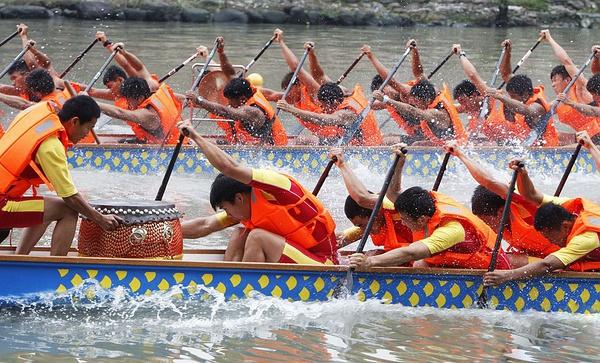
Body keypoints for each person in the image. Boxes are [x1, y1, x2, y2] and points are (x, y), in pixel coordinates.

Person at [176, 119, 338, 264]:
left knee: (257, 236)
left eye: (226, 208)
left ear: (239, 198)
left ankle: (243, 289)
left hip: (322, 262)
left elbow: (230, 167)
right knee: (241, 233)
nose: (228, 214)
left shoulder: (275, 187)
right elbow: (205, 225)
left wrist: (195, 136)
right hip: (297, 256)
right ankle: (230, 282)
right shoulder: (245, 208)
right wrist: (162, 232)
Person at [348, 147, 511, 270]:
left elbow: (411, 252)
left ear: (422, 219)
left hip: (490, 270)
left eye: (405, 220)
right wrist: (399, 162)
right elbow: (393, 193)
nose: (403, 223)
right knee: (419, 264)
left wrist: (370, 262)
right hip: (457, 261)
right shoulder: (422, 203)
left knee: (417, 260)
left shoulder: (451, 229)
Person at [0, 96, 121, 255]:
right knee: (68, 210)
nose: (87, 134)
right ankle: (57, 271)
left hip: (4, 197)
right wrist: (99, 218)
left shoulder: (37, 115)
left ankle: (20, 258)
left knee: (50, 206)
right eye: (88, 127)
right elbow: (70, 197)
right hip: (2, 204)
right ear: (75, 121)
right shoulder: (51, 145)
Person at [444, 141, 559, 263]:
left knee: (500, 260)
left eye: (486, 221)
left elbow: (489, 182)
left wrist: (460, 154)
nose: (485, 226)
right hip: (544, 259)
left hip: (563, 259)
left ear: (500, 212)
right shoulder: (501, 222)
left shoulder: (524, 206)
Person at [483, 166, 600, 286]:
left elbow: (547, 265)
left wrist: (507, 275)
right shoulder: (568, 206)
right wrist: (523, 174)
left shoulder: (586, 238)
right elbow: (531, 195)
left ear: (565, 226)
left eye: (550, 238)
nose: (552, 242)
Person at [331, 146, 413, 254]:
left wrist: (342, 165)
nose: (363, 230)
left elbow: (362, 198)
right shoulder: (368, 226)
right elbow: (335, 242)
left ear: (375, 212)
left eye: (361, 225)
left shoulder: (390, 205)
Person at [485, 39, 559, 146]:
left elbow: (527, 110)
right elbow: (506, 74)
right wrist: (507, 52)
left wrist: (500, 97)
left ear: (525, 94)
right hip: (524, 145)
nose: (511, 99)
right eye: (510, 96)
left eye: (513, 97)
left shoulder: (538, 105)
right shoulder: (520, 90)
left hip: (546, 150)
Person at [277, 78, 383, 146]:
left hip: (363, 148)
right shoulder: (345, 94)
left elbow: (322, 119)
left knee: (302, 140)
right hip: (352, 141)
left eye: (325, 106)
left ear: (335, 101)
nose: (324, 109)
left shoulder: (346, 113)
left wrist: (292, 109)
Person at [187, 75, 288, 145]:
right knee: (208, 142)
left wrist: (199, 100)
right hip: (250, 145)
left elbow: (225, 111)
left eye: (230, 101)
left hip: (273, 150)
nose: (229, 104)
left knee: (207, 144)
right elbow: (227, 74)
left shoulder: (253, 111)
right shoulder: (248, 92)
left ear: (242, 99)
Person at [541, 30, 600, 142]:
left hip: (598, 135)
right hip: (585, 138)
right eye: (551, 81)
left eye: (555, 80)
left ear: (568, 80)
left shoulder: (581, 88)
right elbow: (535, 112)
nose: (552, 84)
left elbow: (567, 61)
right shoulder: (556, 104)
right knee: (554, 135)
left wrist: (549, 39)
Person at [372, 79, 467, 146]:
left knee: (413, 144)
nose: (415, 105)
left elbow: (411, 110)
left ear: (427, 99)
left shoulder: (436, 113)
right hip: (438, 143)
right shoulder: (431, 105)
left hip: (451, 147)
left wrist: (385, 100)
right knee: (386, 136)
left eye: (417, 102)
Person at [97, 76, 182, 144]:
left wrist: (93, 104)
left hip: (172, 151)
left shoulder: (148, 115)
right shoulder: (153, 95)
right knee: (115, 142)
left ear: (140, 98)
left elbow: (119, 113)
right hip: (176, 142)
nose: (128, 103)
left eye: (128, 100)